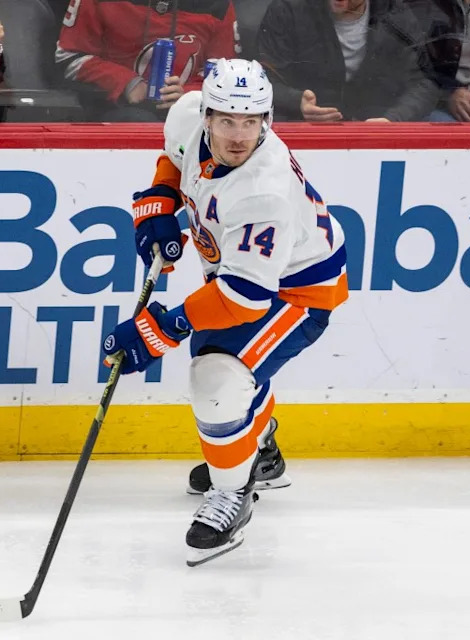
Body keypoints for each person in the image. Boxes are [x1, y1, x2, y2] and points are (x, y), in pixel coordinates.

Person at [101, 59, 349, 566]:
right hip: (247, 277)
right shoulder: (189, 115)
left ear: (267, 121)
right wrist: (158, 202)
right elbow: (173, 157)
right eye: (228, 121)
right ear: (207, 115)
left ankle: (233, 492)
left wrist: (159, 329)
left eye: (252, 122)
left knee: (217, 374)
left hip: (299, 291)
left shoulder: (264, 190)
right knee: (225, 364)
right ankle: (261, 448)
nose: (239, 135)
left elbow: (243, 298)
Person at [54, 0, 241, 121]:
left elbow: (223, 70)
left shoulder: (218, 5)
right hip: (114, 109)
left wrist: (189, 94)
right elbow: (69, 57)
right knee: (136, 120)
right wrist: (127, 82)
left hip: (191, 115)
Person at [257, 0, 438, 122]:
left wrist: (392, 119)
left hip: (373, 130)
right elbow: (260, 80)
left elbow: (424, 83)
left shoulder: (395, 14)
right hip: (301, 127)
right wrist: (295, 101)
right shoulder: (288, 9)